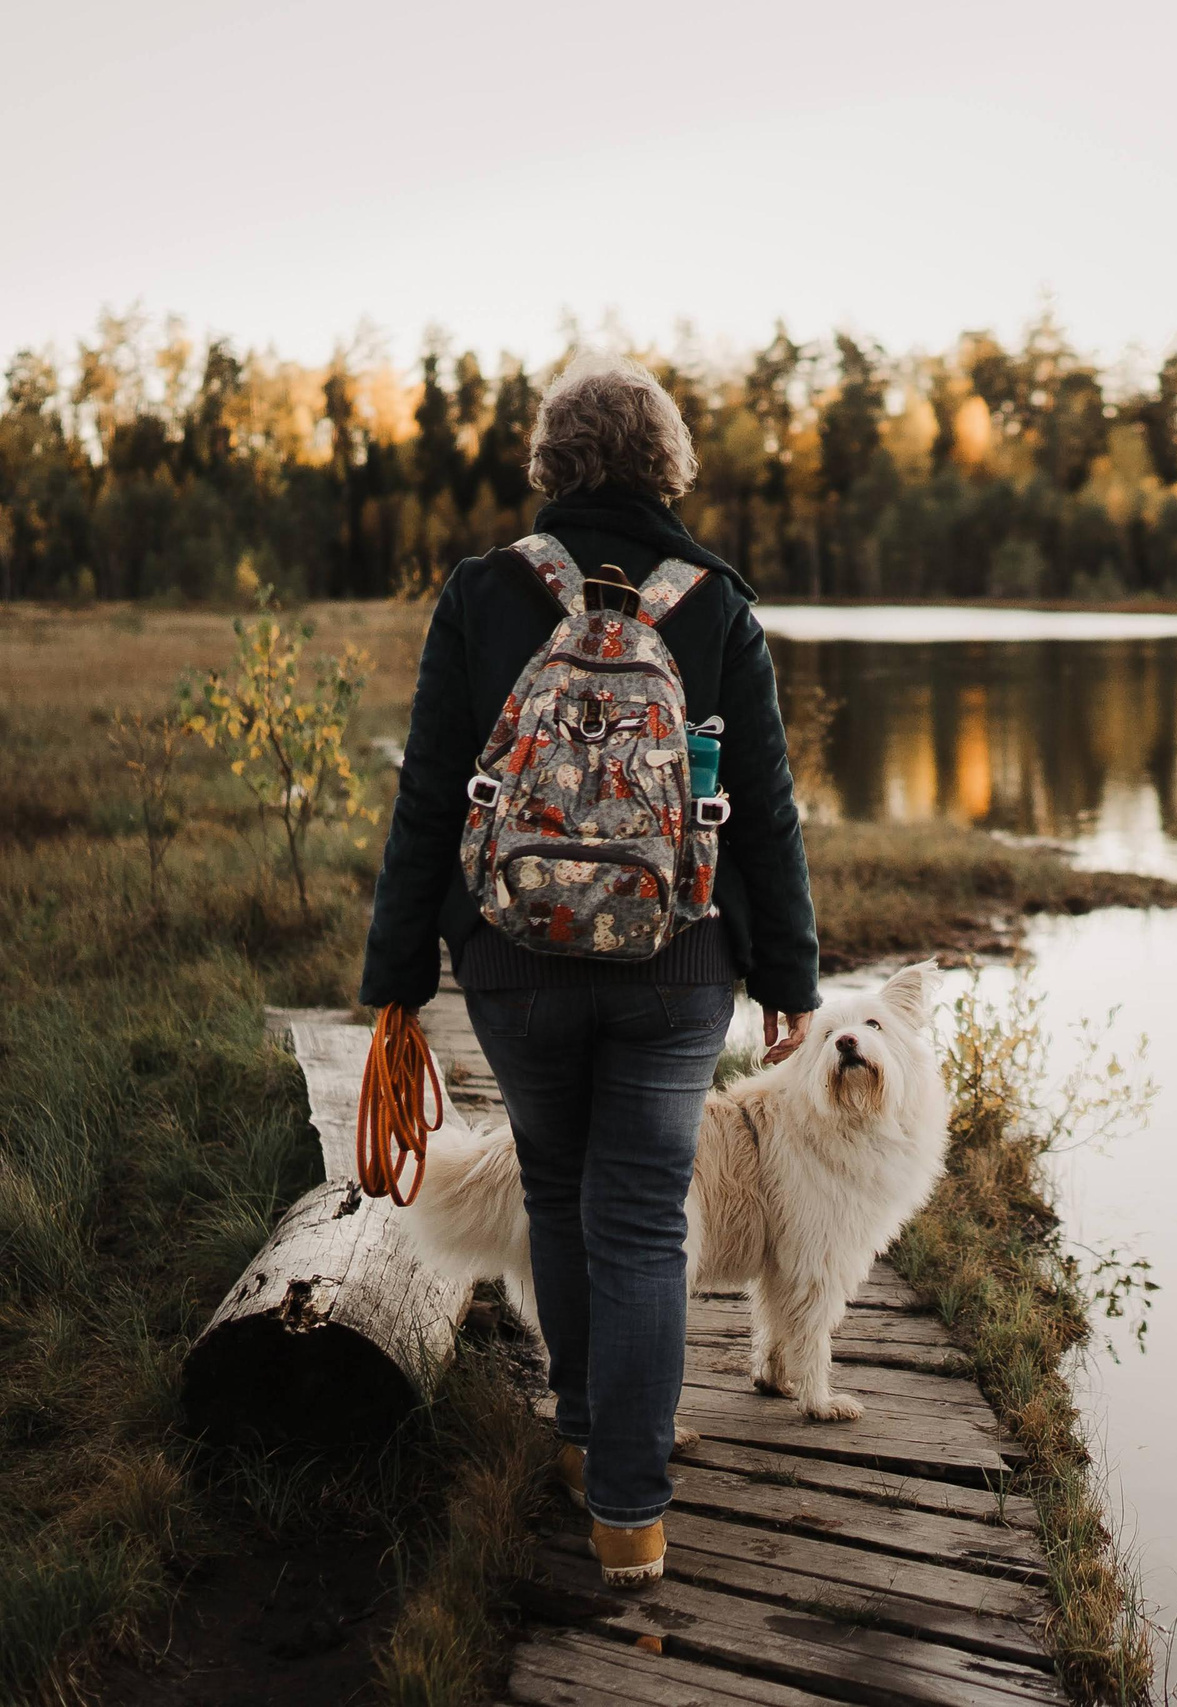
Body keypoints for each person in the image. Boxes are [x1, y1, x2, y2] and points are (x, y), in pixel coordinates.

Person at [358, 352, 819, 1585]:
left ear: (551, 463)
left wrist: (398, 970)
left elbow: (426, 797)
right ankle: (633, 1516)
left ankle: (577, 1436)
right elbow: (765, 813)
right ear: (669, 465)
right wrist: (790, 981)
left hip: (513, 958)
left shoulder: (485, 590)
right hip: (679, 962)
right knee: (642, 1223)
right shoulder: (716, 600)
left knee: (558, 1190)